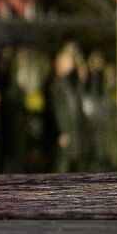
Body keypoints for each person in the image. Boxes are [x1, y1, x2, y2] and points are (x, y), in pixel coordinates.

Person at [44, 43, 84, 173]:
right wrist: (62, 132)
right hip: (62, 135)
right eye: (68, 59)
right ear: (59, 60)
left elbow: (75, 103)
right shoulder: (55, 82)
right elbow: (57, 110)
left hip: (71, 133)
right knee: (59, 170)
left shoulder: (66, 81)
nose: (71, 63)